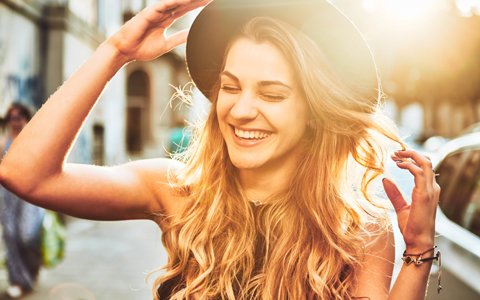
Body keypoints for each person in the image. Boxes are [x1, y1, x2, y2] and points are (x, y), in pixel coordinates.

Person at [0, 0, 441, 299]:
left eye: (271, 94)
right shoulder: (177, 192)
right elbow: (26, 174)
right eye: (230, 87)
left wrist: (417, 250)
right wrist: (115, 51)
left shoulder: (357, 229)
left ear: (313, 110)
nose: (241, 110)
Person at [0, 102, 45, 298]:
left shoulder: (34, 142)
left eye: (19, 117)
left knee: (28, 236)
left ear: (26, 119)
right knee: (11, 237)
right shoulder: (3, 142)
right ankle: (18, 280)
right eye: (12, 118)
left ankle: (32, 271)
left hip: (29, 196)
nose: (15, 121)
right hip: (8, 197)